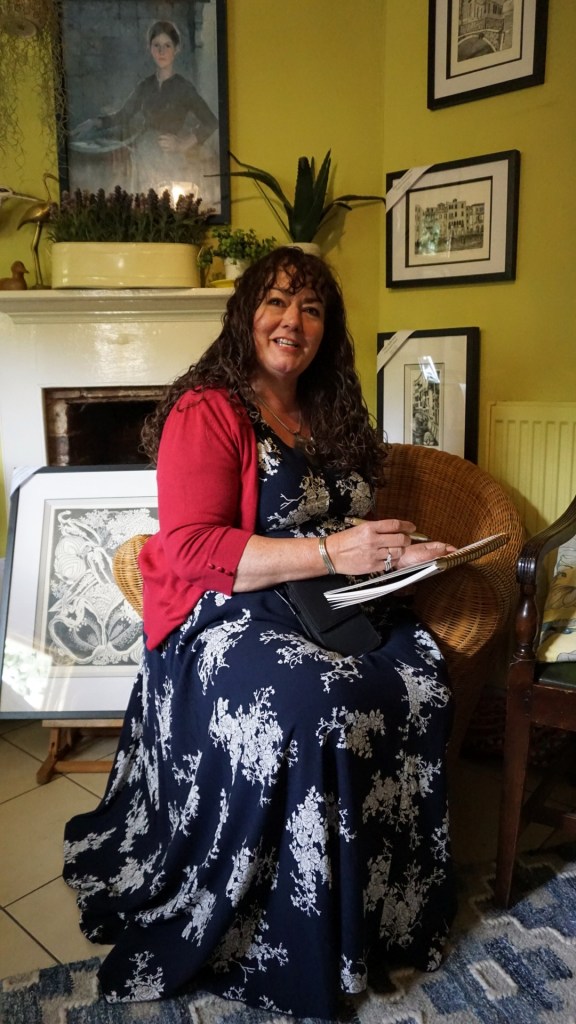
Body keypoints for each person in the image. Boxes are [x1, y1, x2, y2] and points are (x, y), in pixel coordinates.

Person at [63, 247, 457, 1019]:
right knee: (318, 703)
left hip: (332, 601)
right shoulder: (206, 409)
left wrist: (397, 553)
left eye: (312, 309)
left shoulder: (330, 409)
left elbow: (345, 521)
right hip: (228, 605)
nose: (292, 322)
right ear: (246, 313)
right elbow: (192, 547)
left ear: (327, 330)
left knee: (422, 674)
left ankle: (384, 909)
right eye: (277, 302)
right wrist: (330, 553)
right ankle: (292, 934)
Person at [72, 20, 218, 196]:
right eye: (156, 45)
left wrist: (182, 144)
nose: (161, 51)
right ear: (150, 48)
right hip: (141, 158)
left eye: (167, 45)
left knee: (167, 202)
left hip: (169, 161)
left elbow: (210, 122)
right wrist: (95, 122)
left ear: (176, 49)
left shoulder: (184, 87)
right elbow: (123, 116)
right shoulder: (145, 86)